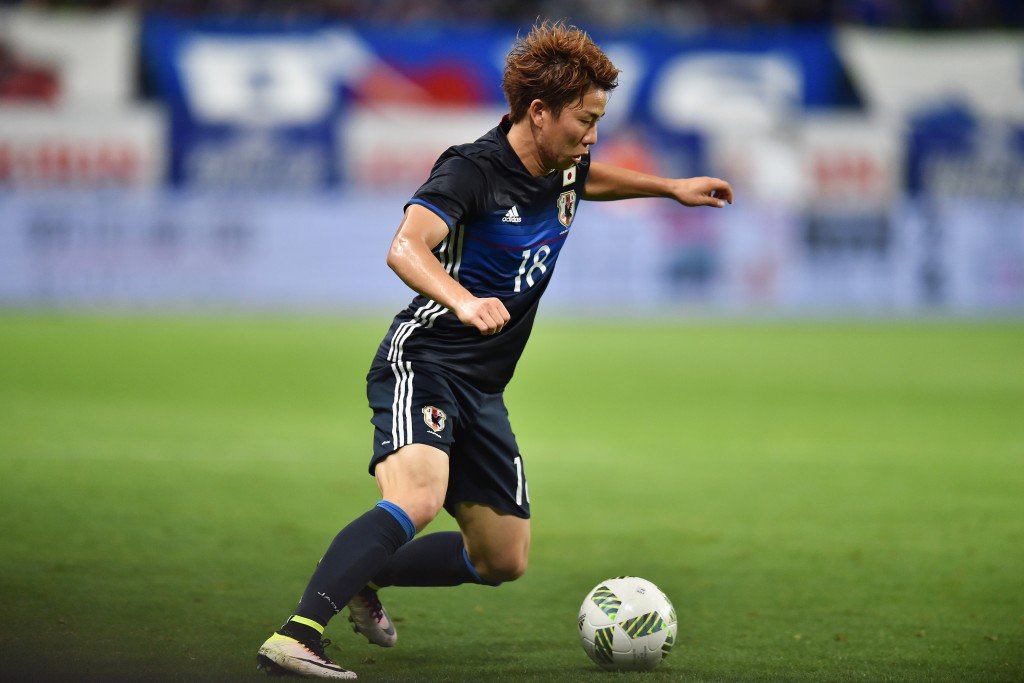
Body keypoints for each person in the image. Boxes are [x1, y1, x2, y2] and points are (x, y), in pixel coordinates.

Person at [257, 20, 732, 679]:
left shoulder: (563, 164)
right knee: (419, 498)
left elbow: (586, 180)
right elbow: (406, 245)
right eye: (584, 120)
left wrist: (669, 187)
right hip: (423, 360)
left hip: (483, 387)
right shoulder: (472, 168)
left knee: (502, 558)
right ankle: (297, 635)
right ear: (538, 112)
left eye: (598, 119)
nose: (591, 135)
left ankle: (361, 573)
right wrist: (462, 299)